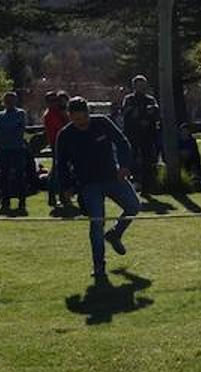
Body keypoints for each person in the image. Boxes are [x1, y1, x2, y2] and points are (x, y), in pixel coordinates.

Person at [54, 97, 140, 282]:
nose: (80, 123)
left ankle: (115, 234)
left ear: (88, 113)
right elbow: (60, 164)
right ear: (70, 116)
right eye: (76, 120)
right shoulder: (65, 135)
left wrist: (124, 165)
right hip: (87, 184)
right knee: (96, 223)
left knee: (134, 206)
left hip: (112, 176)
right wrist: (66, 187)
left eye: (83, 118)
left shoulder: (102, 123)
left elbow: (122, 142)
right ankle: (99, 266)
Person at [120, 76, 160, 194]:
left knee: (147, 160)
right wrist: (138, 114)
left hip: (147, 135)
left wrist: (148, 115)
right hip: (132, 134)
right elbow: (126, 113)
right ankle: (131, 183)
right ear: (134, 86)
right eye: (139, 85)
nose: (141, 88)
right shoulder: (129, 99)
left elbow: (155, 113)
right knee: (131, 159)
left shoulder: (150, 100)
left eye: (143, 85)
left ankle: (146, 186)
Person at [0, 91, 30, 214]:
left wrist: (7, 133)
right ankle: (5, 202)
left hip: (17, 149)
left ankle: (21, 202)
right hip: (4, 150)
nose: (9, 103)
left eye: (11, 100)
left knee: (20, 176)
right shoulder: (0, 116)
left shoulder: (20, 113)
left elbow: (20, 129)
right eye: (7, 100)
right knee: (3, 177)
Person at [42, 91, 71, 207]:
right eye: (52, 101)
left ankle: (61, 196)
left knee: (60, 171)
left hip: (63, 144)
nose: (55, 103)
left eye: (56, 100)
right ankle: (54, 196)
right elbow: (63, 128)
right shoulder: (50, 114)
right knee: (56, 172)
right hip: (57, 144)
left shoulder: (57, 112)